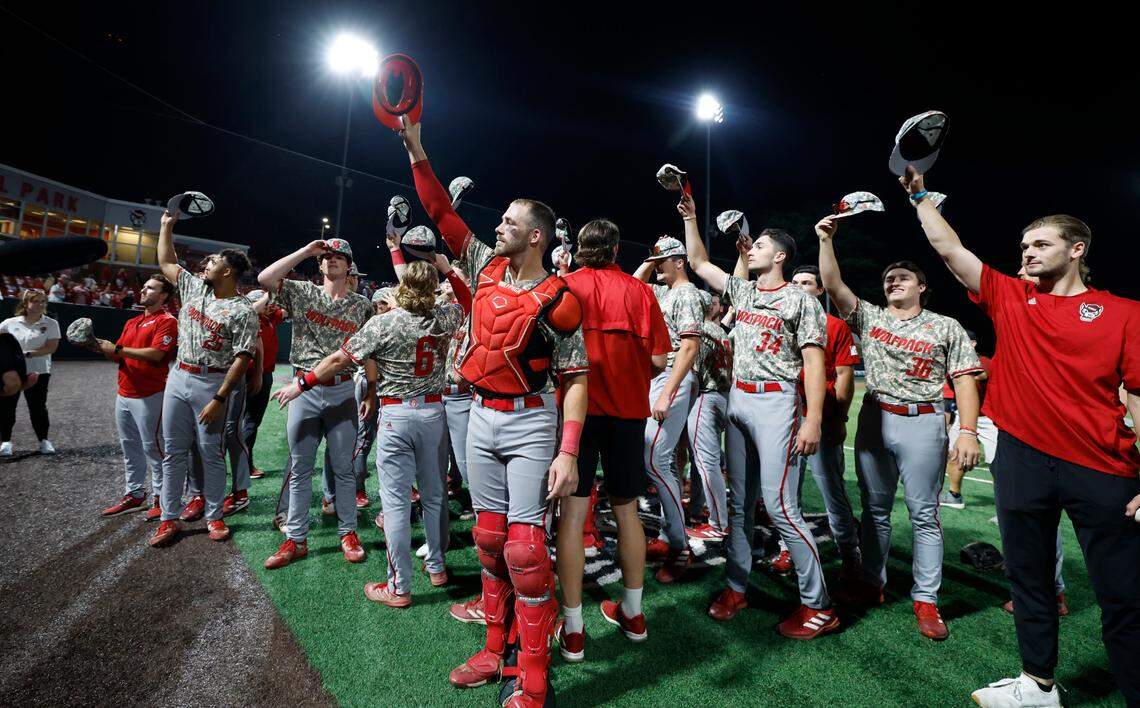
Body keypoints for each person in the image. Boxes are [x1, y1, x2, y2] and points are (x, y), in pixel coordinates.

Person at [899, 168, 1140, 706]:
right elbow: (947, 248)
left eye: (1040, 244)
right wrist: (918, 195)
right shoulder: (1010, 297)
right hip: (1022, 460)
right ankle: (1038, 684)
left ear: (1076, 249)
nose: (1027, 253)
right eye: (1024, 245)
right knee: (1028, 580)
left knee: (1123, 595)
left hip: (1103, 468)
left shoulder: (1125, 314)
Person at [399, 116, 588, 708]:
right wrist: (416, 147)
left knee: (527, 551)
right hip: (479, 415)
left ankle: (533, 677)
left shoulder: (560, 298)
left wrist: (568, 452)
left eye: (510, 221)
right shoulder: (482, 265)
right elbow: (438, 210)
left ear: (536, 237)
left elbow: (576, 379)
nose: (498, 225)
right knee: (487, 538)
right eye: (500, 219)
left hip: (532, 419)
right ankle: (495, 647)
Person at [816, 213, 982, 641]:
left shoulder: (945, 326)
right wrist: (827, 241)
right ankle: (872, 582)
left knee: (924, 513)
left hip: (923, 420)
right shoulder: (870, 317)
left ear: (922, 286)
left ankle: (926, 598)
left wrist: (967, 430)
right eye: (889, 278)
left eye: (903, 277)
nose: (893, 282)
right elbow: (833, 286)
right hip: (875, 416)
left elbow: (964, 378)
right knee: (874, 510)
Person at [278, 255, 470, 608]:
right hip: (434, 412)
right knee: (434, 496)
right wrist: (447, 270)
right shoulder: (444, 317)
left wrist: (301, 384)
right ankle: (437, 565)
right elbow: (468, 299)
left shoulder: (385, 322)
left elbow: (339, 360)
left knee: (396, 503)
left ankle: (399, 587)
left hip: (397, 415)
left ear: (402, 288)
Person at [681, 196, 832, 638]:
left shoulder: (801, 301)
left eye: (761, 243)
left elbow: (815, 363)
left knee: (782, 507)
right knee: (741, 505)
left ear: (780, 256)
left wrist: (814, 419)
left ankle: (818, 604)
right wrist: (690, 216)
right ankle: (736, 585)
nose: (754, 246)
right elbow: (696, 260)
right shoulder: (743, 290)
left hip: (778, 402)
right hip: (738, 400)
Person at [554, 218, 671, 662]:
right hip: (626, 412)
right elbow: (659, 357)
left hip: (575, 413)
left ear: (581, 247)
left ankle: (574, 629)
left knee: (572, 515)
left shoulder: (565, 285)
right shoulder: (641, 292)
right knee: (628, 515)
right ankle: (634, 614)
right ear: (618, 247)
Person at [259, 238, 376, 569]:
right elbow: (265, 280)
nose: (333, 260)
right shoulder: (302, 292)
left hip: (341, 391)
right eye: (327, 257)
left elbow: (368, 352)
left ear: (349, 266)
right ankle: (296, 538)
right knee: (300, 468)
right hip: (304, 389)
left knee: (343, 468)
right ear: (320, 264)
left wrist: (370, 391)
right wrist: (305, 252)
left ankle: (348, 532)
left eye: (340, 257)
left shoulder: (361, 305)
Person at [148, 210, 258, 547]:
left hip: (212, 382)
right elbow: (167, 262)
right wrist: (167, 226)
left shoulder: (242, 310)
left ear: (227, 271)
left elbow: (243, 358)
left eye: (212, 263)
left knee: (211, 453)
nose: (204, 266)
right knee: (174, 452)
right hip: (179, 376)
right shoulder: (195, 287)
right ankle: (169, 518)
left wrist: (220, 397)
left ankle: (214, 516)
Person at [631, 234, 703, 583]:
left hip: (672, 378)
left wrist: (666, 394)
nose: (657, 266)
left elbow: (689, 348)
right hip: (656, 378)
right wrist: (652, 259)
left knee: (655, 459)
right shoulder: (665, 292)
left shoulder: (686, 294)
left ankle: (680, 545)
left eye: (664, 261)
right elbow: (630, 287)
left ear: (679, 262)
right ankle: (667, 535)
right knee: (662, 463)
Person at [789, 264, 862, 577]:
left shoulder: (834, 325)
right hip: (786, 416)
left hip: (820, 416)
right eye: (794, 282)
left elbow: (845, 374)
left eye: (806, 282)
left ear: (819, 290)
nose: (798, 287)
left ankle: (849, 551)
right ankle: (787, 549)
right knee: (787, 493)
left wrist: (840, 417)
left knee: (831, 489)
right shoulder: (781, 322)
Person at [94, 275, 179, 519]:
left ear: (163, 295)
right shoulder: (132, 321)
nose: (143, 290)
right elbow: (117, 355)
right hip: (124, 392)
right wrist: (98, 345)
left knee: (155, 449)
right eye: (143, 286)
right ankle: (134, 494)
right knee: (130, 447)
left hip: (150, 394)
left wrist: (117, 349)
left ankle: (161, 499)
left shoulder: (167, 321)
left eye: (150, 287)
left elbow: (155, 354)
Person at [685, 290, 732, 543]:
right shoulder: (721, 331)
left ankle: (718, 523)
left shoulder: (700, 330)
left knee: (706, 464)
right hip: (725, 397)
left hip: (706, 396)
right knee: (704, 462)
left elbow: (692, 372)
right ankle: (701, 510)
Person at [0, 289, 61, 456]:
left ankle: (44, 441)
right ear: (26, 303)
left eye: (43, 301)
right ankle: (5, 442)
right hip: (12, 373)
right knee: (7, 406)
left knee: (38, 407)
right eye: (36, 301)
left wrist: (26, 354)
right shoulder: (8, 323)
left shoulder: (51, 324)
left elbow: (51, 347)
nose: (40, 304)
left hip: (39, 370)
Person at [242, 289, 283, 480]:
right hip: (244, 375)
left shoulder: (269, 318)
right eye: (267, 303)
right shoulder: (247, 316)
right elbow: (250, 309)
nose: (272, 306)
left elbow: (287, 310)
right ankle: (244, 466)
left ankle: (245, 464)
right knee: (241, 422)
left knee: (251, 422)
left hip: (264, 374)